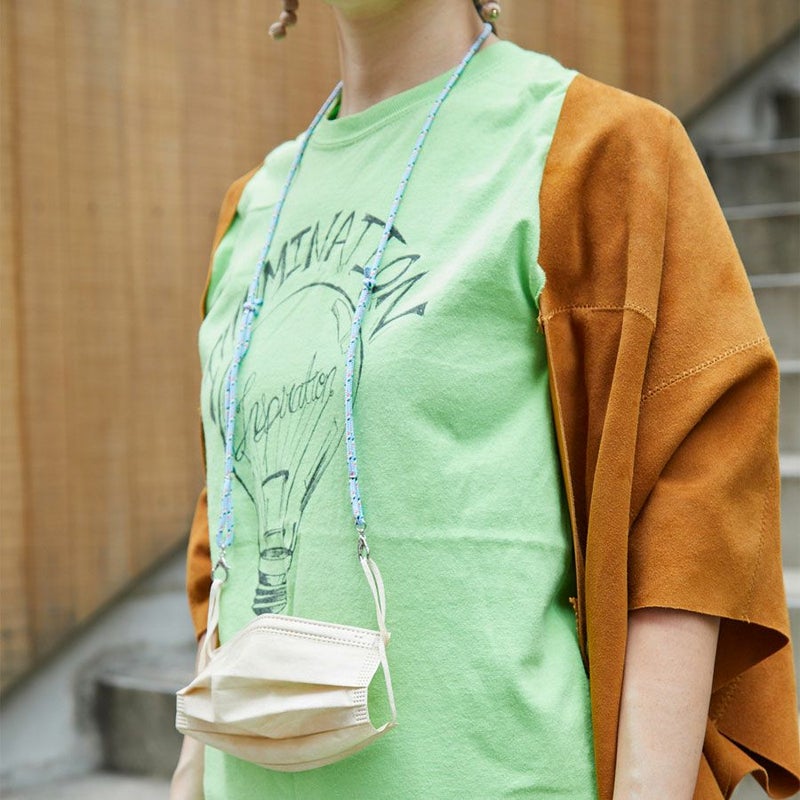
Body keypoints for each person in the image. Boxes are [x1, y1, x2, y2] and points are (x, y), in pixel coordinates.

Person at [172, 1, 800, 798]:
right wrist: (189, 775)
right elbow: (230, 531)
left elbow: (690, 517)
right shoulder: (253, 205)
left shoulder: (598, 148)